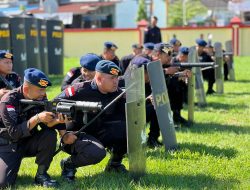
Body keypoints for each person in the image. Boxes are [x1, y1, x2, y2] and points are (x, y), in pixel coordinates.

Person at [0, 68, 76, 188]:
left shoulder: (40, 98)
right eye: (40, 90)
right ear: (26, 89)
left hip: (28, 141)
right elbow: (14, 133)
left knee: (49, 134)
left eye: (44, 89)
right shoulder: (9, 101)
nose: (44, 93)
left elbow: (47, 125)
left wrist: (57, 121)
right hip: (8, 145)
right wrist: (37, 118)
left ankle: (41, 174)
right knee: (4, 184)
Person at [55, 60, 127, 180]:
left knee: (128, 130)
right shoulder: (79, 89)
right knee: (97, 153)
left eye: (117, 78)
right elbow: (54, 105)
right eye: (112, 78)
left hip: (99, 132)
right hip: (76, 137)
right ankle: (69, 164)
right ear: (99, 79)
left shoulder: (117, 93)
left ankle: (114, 164)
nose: (116, 81)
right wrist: (63, 134)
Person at [130, 56, 162, 148]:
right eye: (147, 72)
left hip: (139, 114)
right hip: (127, 119)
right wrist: (146, 100)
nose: (149, 75)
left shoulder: (147, 83)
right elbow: (127, 107)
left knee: (156, 106)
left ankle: (153, 138)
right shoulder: (123, 83)